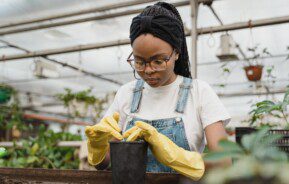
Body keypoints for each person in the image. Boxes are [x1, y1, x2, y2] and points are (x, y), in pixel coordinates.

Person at [85, 2, 231, 180]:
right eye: (139, 62)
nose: (148, 70)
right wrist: (97, 147)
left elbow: (224, 161)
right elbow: (104, 164)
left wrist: (176, 156)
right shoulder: (127, 94)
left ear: (176, 53)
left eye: (158, 61)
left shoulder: (199, 92)